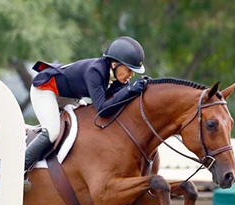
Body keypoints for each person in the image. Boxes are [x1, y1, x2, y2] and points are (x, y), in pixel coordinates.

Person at [24, 36, 147, 190]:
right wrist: (129, 90)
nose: (131, 75)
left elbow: (119, 100)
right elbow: (102, 110)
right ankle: (20, 168)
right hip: (46, 90)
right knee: (53, 132)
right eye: (129, 70)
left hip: (69, 96)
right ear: (115, 65)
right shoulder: (95, 71)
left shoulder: (117, 78)